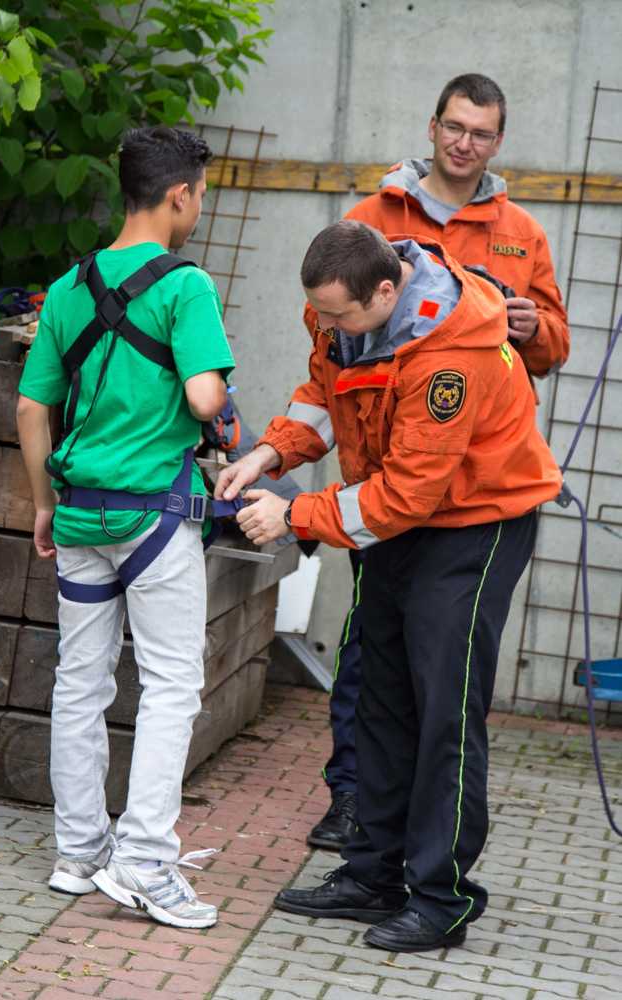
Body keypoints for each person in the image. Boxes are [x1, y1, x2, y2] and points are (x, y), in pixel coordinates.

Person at [214, 220, 562, 951]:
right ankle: (372, 873)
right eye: (320, 314)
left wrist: (294, 515)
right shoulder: (341, 306)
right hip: (396, 517)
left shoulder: (450, 356)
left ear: (384, 291)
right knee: (379, 696)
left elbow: (409, 493)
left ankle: (440, 898)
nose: (327, 326)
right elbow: (326, 392)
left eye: (339, 316)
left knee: (443, 710)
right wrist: (271, 453)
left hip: (474, 525)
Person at [306, 72, 570, 852]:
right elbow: (327, 349)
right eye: (453, 127)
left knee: (440, 683)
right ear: (431, 128)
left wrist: (529, 328)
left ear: (497, 142)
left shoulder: (519, 231)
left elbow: (554, 344)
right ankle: (354, 804)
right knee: (373, 661)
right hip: (388, 481)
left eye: (480, 133)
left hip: (469, 491)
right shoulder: (372, 218)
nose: (463, 143)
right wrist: (290, 449)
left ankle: (431, 861)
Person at [17, 126, 235, 930]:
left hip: (78, 512)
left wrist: (43, 503)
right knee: (172, 683)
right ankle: (143, 859)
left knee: (81, 681)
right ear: (179, 195)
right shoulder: (187, 286)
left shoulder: (68, 287)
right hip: (154, 518)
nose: (200, 208)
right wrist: (213, 395)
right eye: (200, 195)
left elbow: (30, 407)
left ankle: (79, 853)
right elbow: (205, 399)